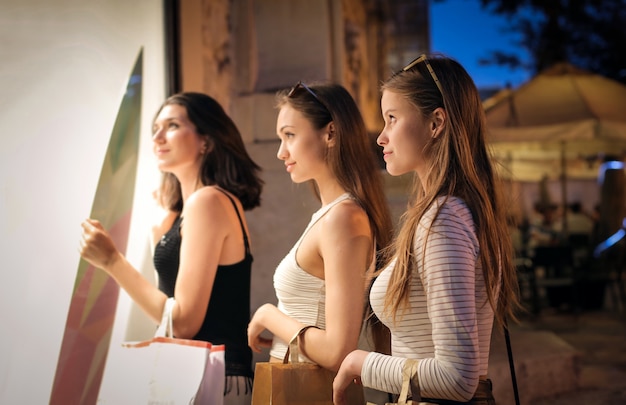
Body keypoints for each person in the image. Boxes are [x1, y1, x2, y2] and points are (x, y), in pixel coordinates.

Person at [333, 54, 521, 404]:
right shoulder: (450, 211)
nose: (381, 137)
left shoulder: (444, 219)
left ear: (436, 123)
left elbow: (457, 378)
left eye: (392, 119)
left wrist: (360, 363)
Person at [79, 92, 263, 405]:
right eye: (155, 128)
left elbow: (182, 323)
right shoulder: (191, 208)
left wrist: (111, 261)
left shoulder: (208, 201)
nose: (158, 137)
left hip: (211, 379)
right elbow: (168, 298)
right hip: (200, 375)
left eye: (172, 125)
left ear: (206, 139)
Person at [246, 82, 393, 393]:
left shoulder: (344, 217)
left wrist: (268, 314)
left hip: (311, 391)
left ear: (329, 133)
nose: (280, 151)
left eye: (289, 135)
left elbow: (337, 350)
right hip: (297, 387)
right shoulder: (331, 214)